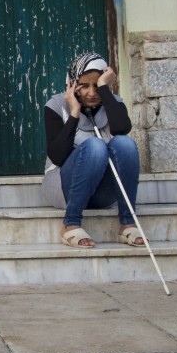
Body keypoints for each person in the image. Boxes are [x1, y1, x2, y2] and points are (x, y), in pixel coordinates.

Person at [42, 52, 143, 249]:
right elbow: (58, 156)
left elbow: (121, 129)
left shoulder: (113, 102)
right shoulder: (55, 105)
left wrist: (106, 91)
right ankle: (70, 224)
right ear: (72, 84)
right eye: (85, 86)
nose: (92, 93)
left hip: (101, 193)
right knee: (95, 146)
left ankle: (128, 223)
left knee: (125, 143)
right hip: (64, 189)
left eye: (97, 85)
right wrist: (74, 113)